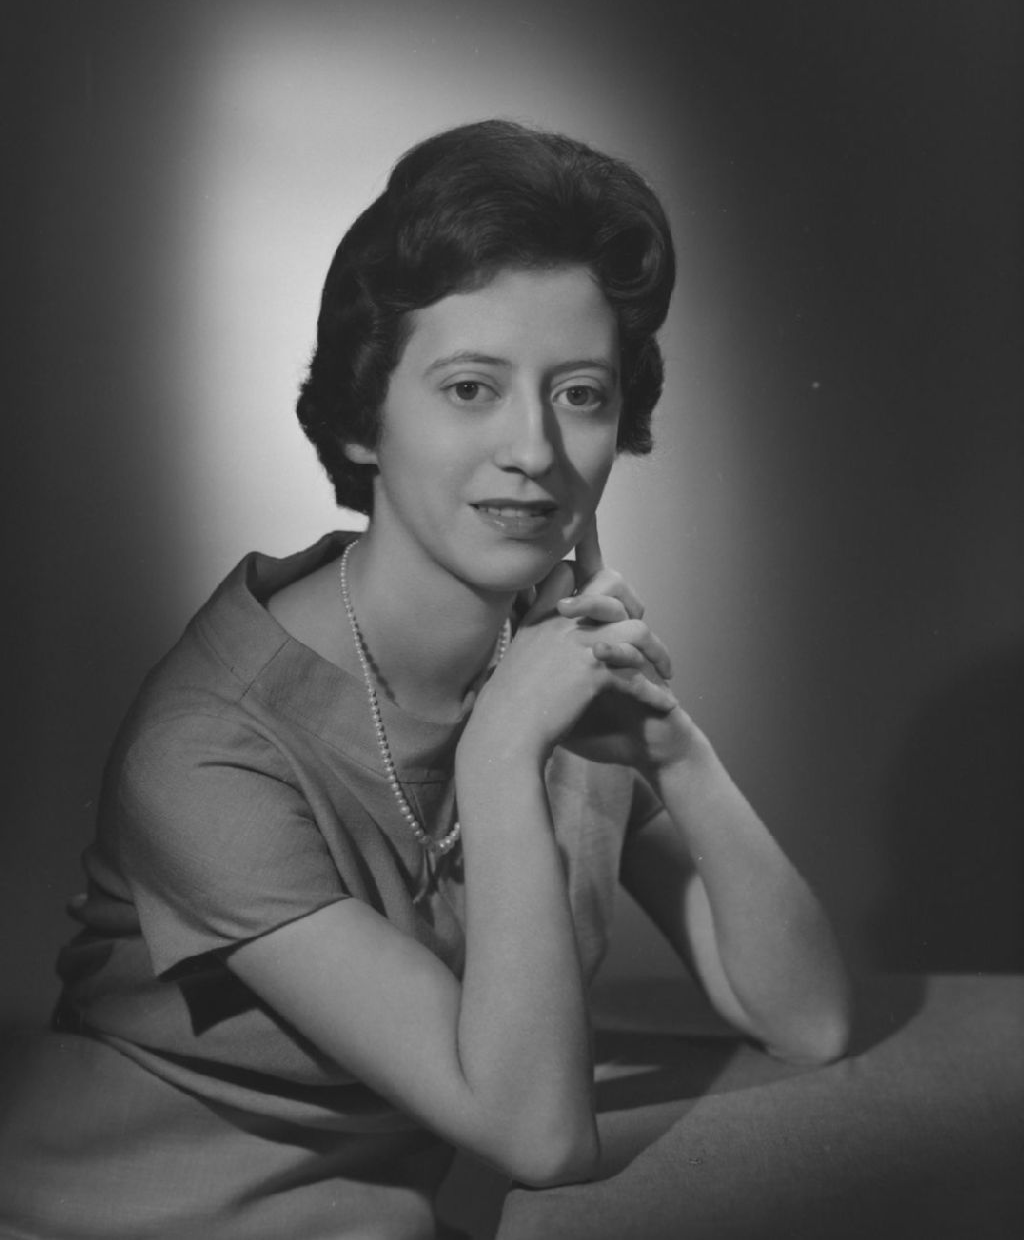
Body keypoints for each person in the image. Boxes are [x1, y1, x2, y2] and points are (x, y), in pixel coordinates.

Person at [0, 120, 850, 1239]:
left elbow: (807, 1018)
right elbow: (539, 1136)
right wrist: (499, 756)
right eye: (470, 388)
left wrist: (672, 748)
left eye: (580, 393)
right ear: (366, 419)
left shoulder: (551, 670)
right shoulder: (206, 751)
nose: (534, 450)